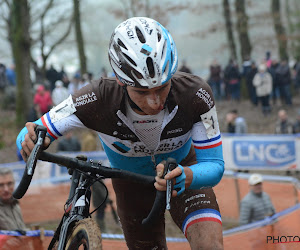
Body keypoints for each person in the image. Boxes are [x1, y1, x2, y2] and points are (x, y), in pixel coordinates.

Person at [16, 17, 224, 249]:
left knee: (210, 246)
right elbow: (30, 132)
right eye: (142, 92)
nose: (155, 101)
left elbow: (214, 165)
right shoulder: (96, 98)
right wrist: (30, 140)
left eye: (162, 88)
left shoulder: (195, 95)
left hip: (184, 171)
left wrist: (187, 176)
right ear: (120, 80)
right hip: (130, 185)